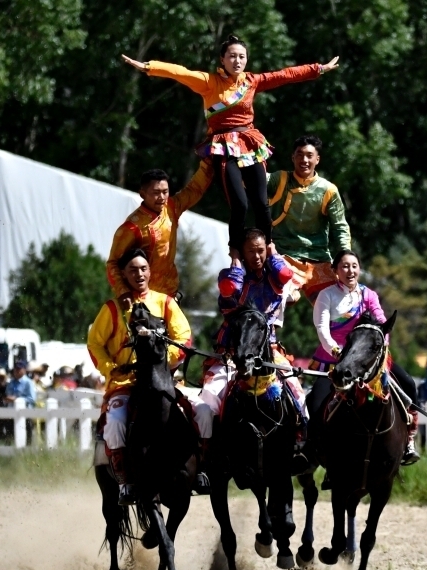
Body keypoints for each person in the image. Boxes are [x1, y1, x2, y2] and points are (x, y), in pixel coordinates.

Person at [122, 36, 339, 263]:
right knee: (240, 204)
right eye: (232, 56)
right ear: (222, 59)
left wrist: (319, 69)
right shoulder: (209, 82)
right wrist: (148, 66)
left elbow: (285, 75)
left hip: (250, 144)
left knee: (261, 203)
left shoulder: (251, 81)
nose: (237, 61)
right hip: (223, 147)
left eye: (242, 57)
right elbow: (179, 72)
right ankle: (235, 252)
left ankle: (269, 246)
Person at [190, 229, 308, 469]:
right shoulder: (229, 276)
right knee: (207, 401)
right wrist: (235, 259)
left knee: (298, 395)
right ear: (241, 253)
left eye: (260, 250)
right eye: (250, 251)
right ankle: (207, 453)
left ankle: (298, 446)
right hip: (231, 353)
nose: (256, 256)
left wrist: (273, 251)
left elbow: (286, 273)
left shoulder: (275, 278)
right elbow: (230, 289)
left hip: (269, 351)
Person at [87, 248, 194, 505]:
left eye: (143, 268)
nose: (139, 274)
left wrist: (161, 361)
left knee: (198, 412)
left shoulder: (165, 302)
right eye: (133, 269)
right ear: (123, 274)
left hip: (163, 380)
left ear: (150, 271)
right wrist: (111, 367)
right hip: (125, 384)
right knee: (114, 423)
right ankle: (125, 482)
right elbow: (94, 344)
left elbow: (184, 338)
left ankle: (198, 471)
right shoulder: (112, 309)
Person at [308, 249, 420, 464]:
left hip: (367, 357)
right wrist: (337, 351)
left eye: (354, 266)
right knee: (315, 402)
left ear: (359, 268)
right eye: (344, 266)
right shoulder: (327, 295)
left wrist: (380, 350)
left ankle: (408, 440)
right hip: (334, 358)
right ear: (335, 270)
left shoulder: (368, 295)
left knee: (408, 383)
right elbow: (322, 328)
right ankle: (310, 448)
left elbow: (381, 324)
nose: (350, 270)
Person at [106, 168, 212, 311]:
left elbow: (195, 189)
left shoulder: (171, 208)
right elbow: (113, 263)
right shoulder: (132, 227)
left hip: (169, 296)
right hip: (141, 300)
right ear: (142, 194)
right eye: (156, 193)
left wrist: (208, 163)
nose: (162, 197)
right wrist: (122, 292)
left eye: (165, 192)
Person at [267, 135, 352, 306]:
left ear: (317, 159)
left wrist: (345, 254)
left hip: (318, 260)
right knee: (277, 300)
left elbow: (340, 226)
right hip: (284, 257)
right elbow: (256, 179)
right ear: (293, 157)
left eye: (309, 155)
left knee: (340, 309)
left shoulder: (328, 190)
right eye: (299, 154)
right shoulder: (280, 180)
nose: (304, 160)